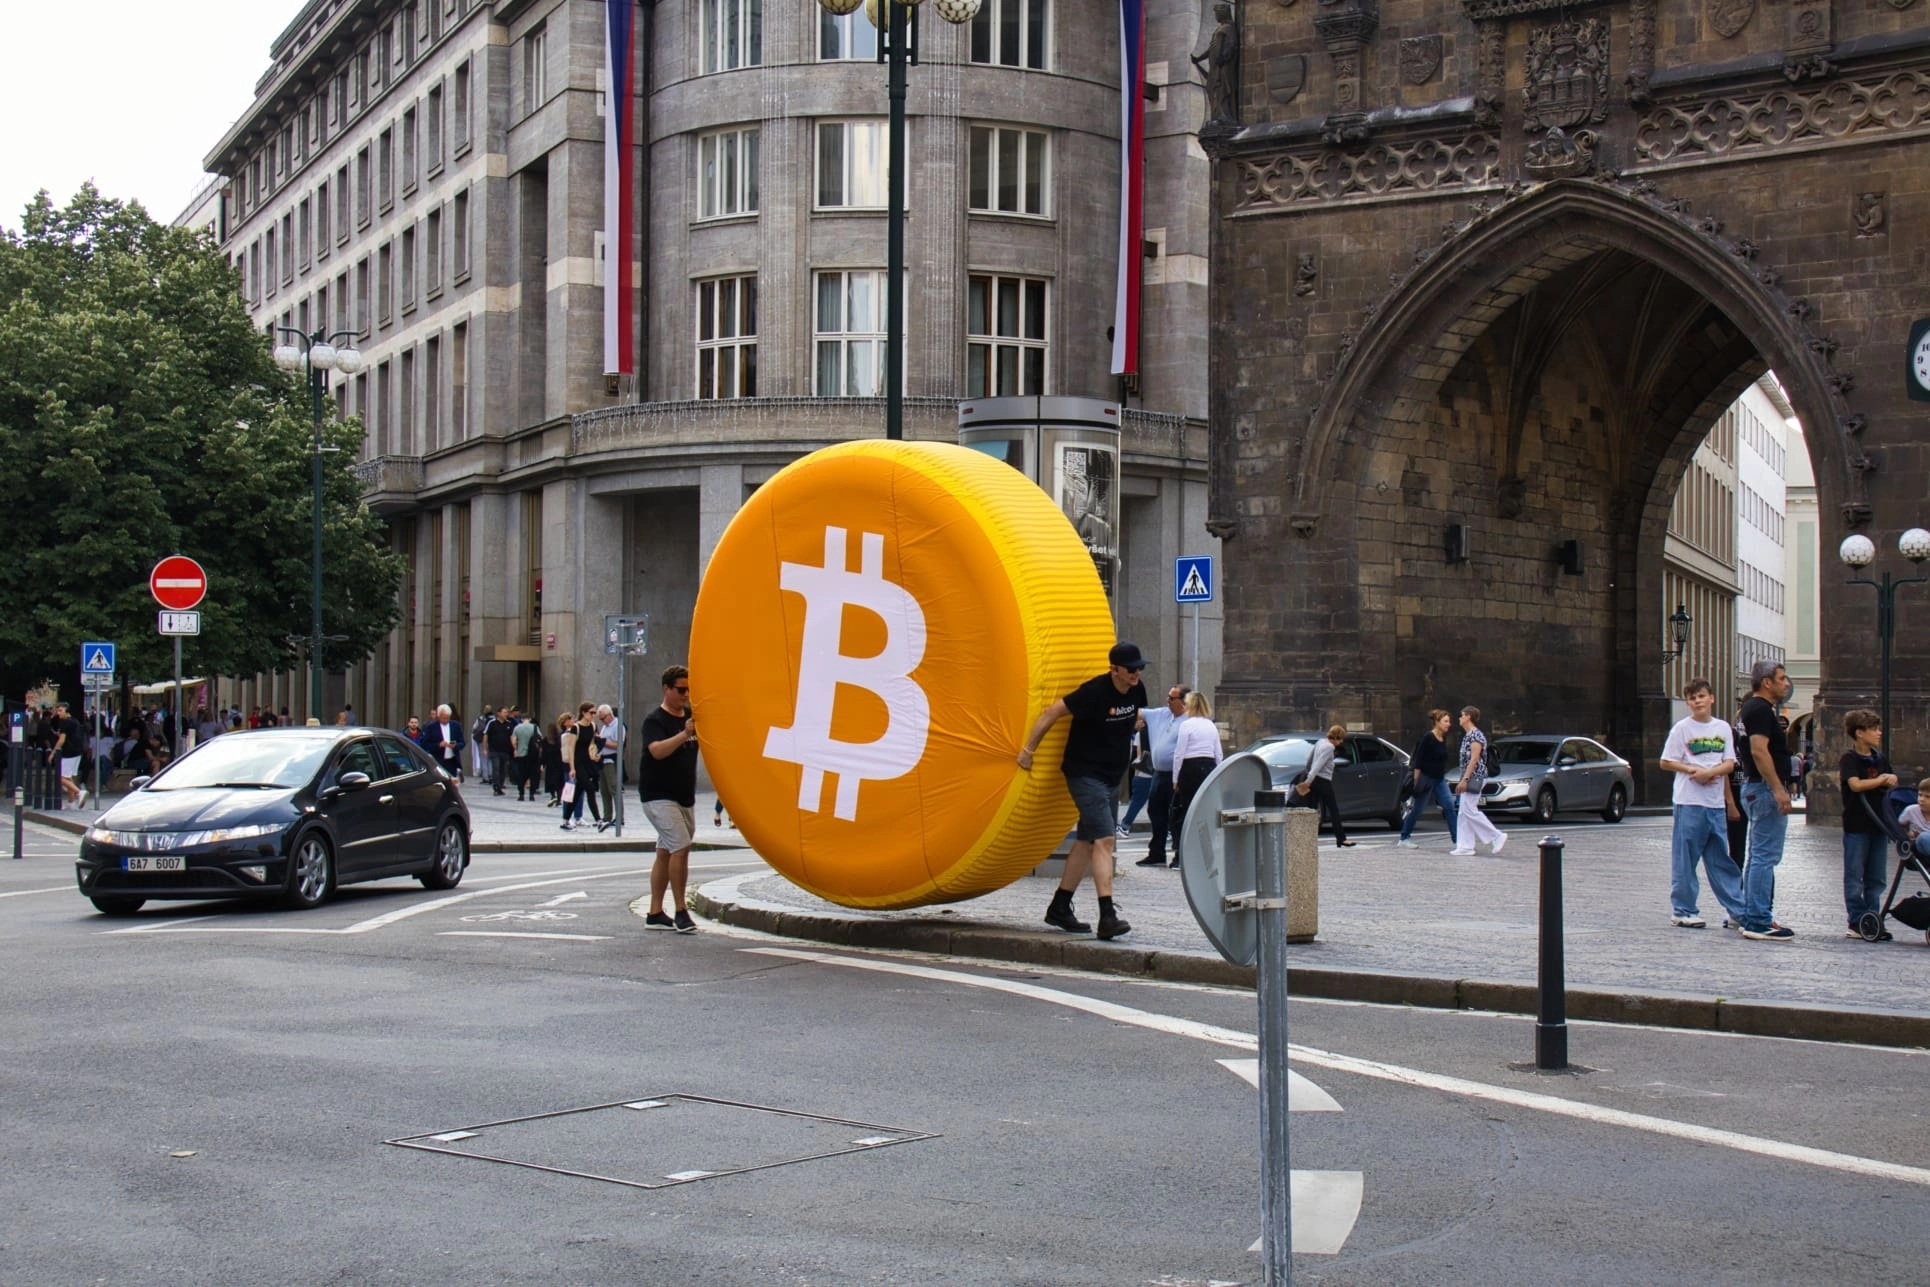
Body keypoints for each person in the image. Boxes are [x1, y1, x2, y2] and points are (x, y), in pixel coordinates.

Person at [1016, 641, 1148, 940]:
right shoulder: (1094, 691)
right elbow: (1051, 712)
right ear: (1114, 669)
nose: (1136, 673)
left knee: (1088, 841)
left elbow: (1132, 721)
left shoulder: (1137, 689)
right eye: (1131, 669)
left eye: (1140, 667)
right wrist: (1028, 751)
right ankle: (1107, 916)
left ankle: (1060, 906)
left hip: (1112, 777)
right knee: (1105, 840)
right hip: (1086, 774)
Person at [1658, 678, 1744, 929]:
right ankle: (1683, 909)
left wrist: (1710, 773)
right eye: (1693, 698)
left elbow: (1730, 763)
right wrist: (1691, 770)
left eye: (1701, 696)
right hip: (1689, 801)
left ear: (1711, 698)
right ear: (1688, 703)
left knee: (1721, 860)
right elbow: (1666, 761)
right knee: (1685, 858)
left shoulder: (1723, 727)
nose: (1698, 701)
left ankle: (1738, 910)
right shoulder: (1682, 729)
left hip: (1714, 804)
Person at [1736, 661, 1796, 941]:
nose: (1787, 683)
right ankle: (1759, 920)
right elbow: (1759, 751)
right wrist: (1777, 788)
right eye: (1782, 678)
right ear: (1767, 682)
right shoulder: (1760, 709)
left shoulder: (1751, 708)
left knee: (1757, 855)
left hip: (1755, 787)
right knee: (1764, 856)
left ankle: (1753, 914)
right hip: (1763, 788)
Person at [639, 666, 700, 932]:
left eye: (689, 690)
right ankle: (681, 910)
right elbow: (656, 751)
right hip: (658, 795)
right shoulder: (655, 720)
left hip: (684, 796)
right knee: (681, 847)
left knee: (665, 852)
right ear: (666, 688)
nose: (685, 695)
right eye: (680, 690)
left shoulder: (691, 716)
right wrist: (684, 734)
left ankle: (654, 912)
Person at [1838, 708, 1898, 942]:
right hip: (1857, 823)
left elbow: (1892, 779)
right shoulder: (1850, 758)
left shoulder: (1880, 758)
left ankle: (1872, 919)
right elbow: (1855, 785)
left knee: (1877, 877)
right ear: (1859, 733)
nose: (1879, 733)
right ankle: (1856, 920)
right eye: (1873, 729)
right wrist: (1881, 780)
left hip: (1879, 824)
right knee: (1855, 875)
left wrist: (1889, 779)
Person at [1167, 691, 1224, 869]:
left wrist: (1175, 778)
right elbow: (1218, 753)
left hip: (1190, 768)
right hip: (1208, 767)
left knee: (1185, 812)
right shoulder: (1211, 726)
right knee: (1205, 812)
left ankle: (1181, 854)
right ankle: (1206, 855)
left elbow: (1179, 754)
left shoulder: (1186, 725)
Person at [1139, 684, 1189, 867]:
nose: (1168, 700)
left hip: (1177, 775)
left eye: (1172, 698)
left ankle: (1179, 854)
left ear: (1183, 701)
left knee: (1176, 815)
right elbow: (1139, 713)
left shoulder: (1188, 721)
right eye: (1168, 697)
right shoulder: (1161, 714)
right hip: (1159, 773)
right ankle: (1157, 852)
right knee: (1155, 811)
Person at [1397, 709, 1459, 849]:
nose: (1449, 724)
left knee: (1449, 806)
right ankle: (1404, 837)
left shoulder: (1443, 738)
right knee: (1417, 809)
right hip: (1426, 779)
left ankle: (1457, 840)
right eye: (1445, 721)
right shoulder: (1428, 737)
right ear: (1437, 722)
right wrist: (1416, 782)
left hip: (1439, 779)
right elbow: (1418, 761)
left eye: (1449, 721)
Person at [1448, 706, 1505, 856]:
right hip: (1469, 776)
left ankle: (1496, 835)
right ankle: (1465, 846)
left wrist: (1465, 779)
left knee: (1469, 810)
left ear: (1468, 716)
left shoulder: (1476, 736)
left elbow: (1474, 759)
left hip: (1475, 777)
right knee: (1463, 812)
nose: (1459, 718)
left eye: (1461, 715)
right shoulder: (1468, 736)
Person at [1304, 724, 1356, 849]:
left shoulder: (1320, 742)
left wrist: (1308, 774)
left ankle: (1307, 838)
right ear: (1336, 737)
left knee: (1312, 809)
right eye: (1341, 739)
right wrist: (1308, 779)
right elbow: (1319, 764)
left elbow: (1310, 760)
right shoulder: (1329, 747)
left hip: (1315, 780)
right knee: (1333, 810)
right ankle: (1341, 839)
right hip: (1323, 781)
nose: (1341, 742)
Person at [1118, 722, 1155, 842]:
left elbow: (1140, 755)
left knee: (1137, 802)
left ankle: (1125, 826)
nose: (1135, 723)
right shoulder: (1158, 731)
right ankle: (1166, 829)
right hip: (1158, 771)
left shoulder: (1141, 734)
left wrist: (1136, 774)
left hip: (1144, 773)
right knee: (1158, 804)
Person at [49, 701, 86, 809]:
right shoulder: (75, 721)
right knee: (68, 777)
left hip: (69, 752)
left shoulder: (64, 722)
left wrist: (53, 753)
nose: (58, 713)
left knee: (60, 777)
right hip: (77, 751)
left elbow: (62, 740)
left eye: (60, 711)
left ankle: (79, 792)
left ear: (67, 711)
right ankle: (71, 802)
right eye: (57, 711)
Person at [594, 704, 624, 830]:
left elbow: (618, 744)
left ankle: (619, 817)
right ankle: (607, 816)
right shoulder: (605, 727)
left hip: (612, 760)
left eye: (603, 718)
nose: (602, 721)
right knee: (604, 790)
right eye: (600, 719)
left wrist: (603, 741)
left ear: (609, 715)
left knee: (614, 788)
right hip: (603, 759)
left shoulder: (618, 725)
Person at [485, 706, 516, 796]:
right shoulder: (492, 723)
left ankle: (500, 785)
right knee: (496, 768)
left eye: (507, 712)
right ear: (498, 713)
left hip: (505, 750)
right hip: (494, 750)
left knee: (503, 769)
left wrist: (514, 748)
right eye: (504, 712)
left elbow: (512, 737)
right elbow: (485, 735)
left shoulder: (509, 724)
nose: (506, 714)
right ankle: (496, 786)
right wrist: (484, 749)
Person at [1900, 778, 1930, 869]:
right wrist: (1906, 834)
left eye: (1928, 797)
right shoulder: (1911, 810)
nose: (1922, 799)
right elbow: (1899, 826)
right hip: (1918, 848)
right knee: (1923, 837)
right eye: (1920, 795)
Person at [429, 704, 464, 781]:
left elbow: (462, 742)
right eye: (443, 718)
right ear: (439, 716)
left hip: (452, 761)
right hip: (437, 761)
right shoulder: (431, 727)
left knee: (452, 783)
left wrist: (455, 745)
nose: (445, 720)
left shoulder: (456, 725)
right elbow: (425, 745)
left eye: (447, 718)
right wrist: (439, 745)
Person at [511, 710, 540, 801]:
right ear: (530, 719)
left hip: (521, 754)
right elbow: (539, 739)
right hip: (533, 755)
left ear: (521, 719)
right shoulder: (535, 727)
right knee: (533, 775)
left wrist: (515, 749)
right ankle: (531, 794)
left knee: (521, 775)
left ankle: (521, 794)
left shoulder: (517, 728)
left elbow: (513, 740)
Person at [543, 714, 569, 806]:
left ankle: (553, 796)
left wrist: (542, 763)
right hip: (559, 762)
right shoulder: (559, 738)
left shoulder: (546, 740)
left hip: (550, 763)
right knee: (559, 781)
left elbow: (544, 752)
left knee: (551, 780)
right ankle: (559, 798)